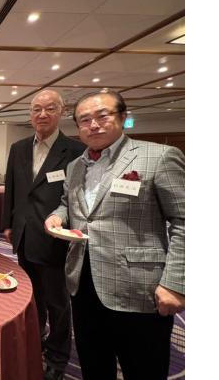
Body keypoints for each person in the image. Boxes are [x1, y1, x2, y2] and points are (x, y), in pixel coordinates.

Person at [44, 91, 184, 380]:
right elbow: (68, 204)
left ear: (122, 117)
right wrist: (57, 216)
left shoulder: (158, 156)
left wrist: (175, 283)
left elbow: (186, 220)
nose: (93, 125)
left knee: (143, 369)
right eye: (85, 120)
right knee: (94, 365)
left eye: (102, 116)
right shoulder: (75, 166)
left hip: (139, 287)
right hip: (82, 283)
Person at [2, 90, 85, 380]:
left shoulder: (74, 150)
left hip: (55, 239)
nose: (42, 114)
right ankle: (34, 341)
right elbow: (12, 188)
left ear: (61, 112)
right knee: (30, 296)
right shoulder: (19, 147)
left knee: (57, 303)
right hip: (24, 235)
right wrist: (8, 224)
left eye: (50, 108)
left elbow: (77, 198)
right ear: (30, 114)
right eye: (37, 109)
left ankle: (58, 357)